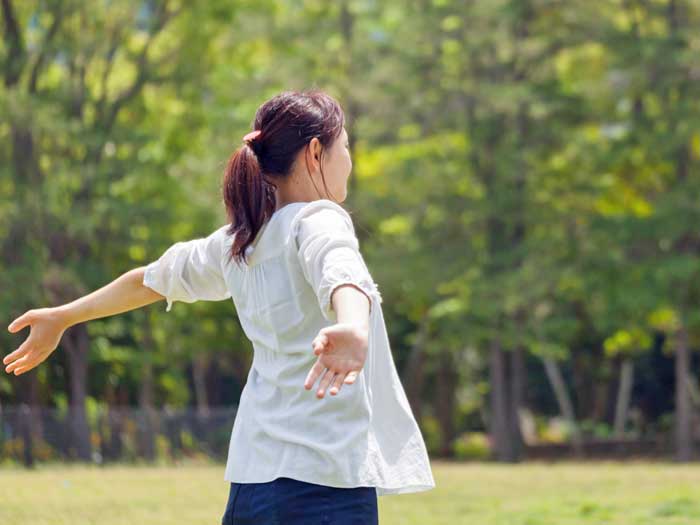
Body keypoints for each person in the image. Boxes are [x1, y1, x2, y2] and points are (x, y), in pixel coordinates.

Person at [4, 89, 435, 524]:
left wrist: (64, 316)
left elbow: (150, 280)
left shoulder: (239, 242)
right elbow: (342, 272)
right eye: (345, 146)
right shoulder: (317, 219)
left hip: (252, 485)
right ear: (316, 152)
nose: (350, 160)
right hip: (324, 484)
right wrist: (353, 326)